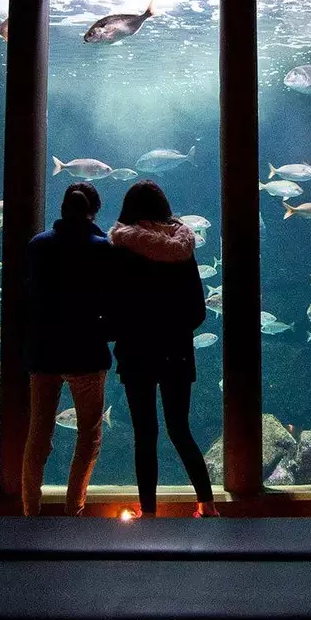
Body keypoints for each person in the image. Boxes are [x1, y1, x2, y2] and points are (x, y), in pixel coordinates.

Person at [108, 180, 218, 517]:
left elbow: (113, 307)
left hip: (136, 351)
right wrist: (173, 330)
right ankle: (207, 504)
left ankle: (149, 513)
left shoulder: (122, 250)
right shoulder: (182, 251)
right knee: (179, 429)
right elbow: (198, 311)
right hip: (177, 352)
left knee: (145, 433)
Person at [22, 182, 114, 517]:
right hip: (86, 353)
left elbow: (26, 297)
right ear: (93, 211)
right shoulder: (103, 248)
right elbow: (111, 300)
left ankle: (29, 511)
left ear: (62, 209)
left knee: (38, 433)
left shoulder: (37, 245)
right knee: (88, 435)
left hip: (43, 352)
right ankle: (73, 509)